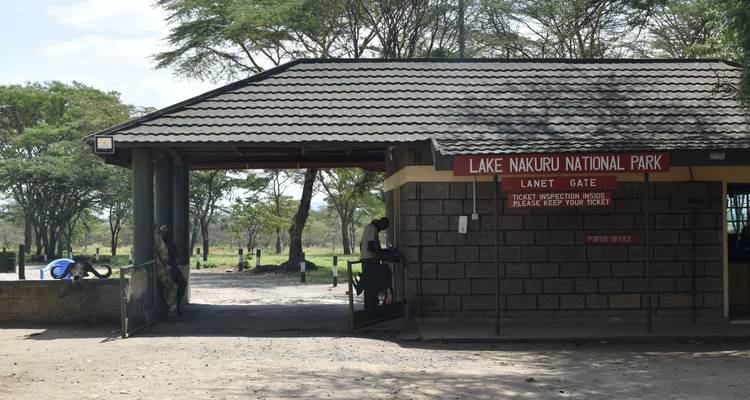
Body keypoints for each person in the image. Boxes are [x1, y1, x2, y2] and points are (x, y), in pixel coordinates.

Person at [357, 217, 393, 309]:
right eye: (383, 227)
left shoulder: (369, 227)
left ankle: (369, 306)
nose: (381, 230)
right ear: (381, 223)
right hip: (370, 261)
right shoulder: (373, 229)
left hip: (366, 260)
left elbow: (361, 245)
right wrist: (381, 252)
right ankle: (371, 307)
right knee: (372, 285)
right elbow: (370, 247)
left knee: (369, 285)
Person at [160, 225, 187, 314]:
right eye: (164, 232)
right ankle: (171, 308)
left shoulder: (171, 243)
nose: (166, 234)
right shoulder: (159, 243)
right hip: (164, 268)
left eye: (167, 232)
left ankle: (177, 305)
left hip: (173, 267)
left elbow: (177, 254)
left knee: (182, 284)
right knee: (169, 288)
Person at [155, 225, 179, 319]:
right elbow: (164, 255)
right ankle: (171, 311)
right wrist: (166, 265)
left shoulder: (138, 238)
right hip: (158, 268)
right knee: (172, 287)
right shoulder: (157, 239)